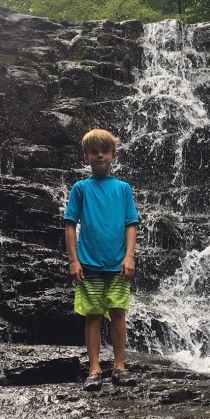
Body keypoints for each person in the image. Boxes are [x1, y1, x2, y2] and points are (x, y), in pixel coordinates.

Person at [63, 128, 140, 391]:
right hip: (89, 264)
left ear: (113, 156)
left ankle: (120, 366)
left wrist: (129, 256)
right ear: (85, 157)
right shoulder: (80, 189)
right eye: (93, 151)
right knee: (93, 316)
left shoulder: (123, 189)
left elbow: (131, 224)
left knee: (118, 313)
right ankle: (94, 369)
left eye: (105, 151)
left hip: (118, 264)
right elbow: (70, 224)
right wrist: (74, 261)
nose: (99, 155)